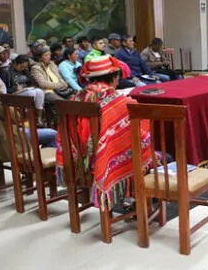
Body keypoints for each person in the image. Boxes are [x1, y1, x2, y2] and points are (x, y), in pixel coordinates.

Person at [55, 55, 154, 210]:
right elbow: (141, 133)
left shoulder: (76, 98)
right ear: (114, 77)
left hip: (79, 162)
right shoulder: (118, 102)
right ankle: (136, 202)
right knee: (150, 153)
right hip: (100, 164)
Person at [8, 55, 46, 126]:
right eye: (21, 67)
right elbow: (5, 88)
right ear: (15, 63)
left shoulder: (25, 71)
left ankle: (38, 118)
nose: (23, 69)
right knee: (31, 93)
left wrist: (30, 86)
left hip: (26, 90)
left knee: (39, 92)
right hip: (14, 93)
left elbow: (32, 82)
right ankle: (28, 118)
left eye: (25, 67)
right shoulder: (8, 72)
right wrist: (15, 88)